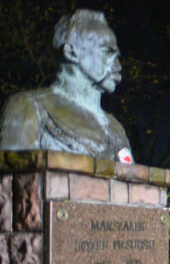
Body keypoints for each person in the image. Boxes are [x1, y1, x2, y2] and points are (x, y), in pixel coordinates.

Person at [0, 9, 133, 160]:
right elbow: (10, 177)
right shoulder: (28, 107)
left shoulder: (116, 129)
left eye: (118, 56)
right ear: (71, 52)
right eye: (109, 52)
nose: (118, 65)